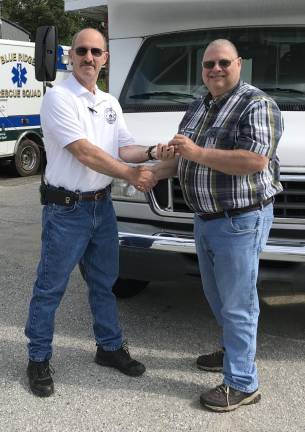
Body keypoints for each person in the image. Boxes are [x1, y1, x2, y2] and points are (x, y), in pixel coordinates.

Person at [25, 28, 157, 398]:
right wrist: (132, 174)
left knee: (105, 283)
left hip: (102, 206)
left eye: (95, 51)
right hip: (66, 210)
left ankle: (109, 347)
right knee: (50, 287)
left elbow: (126, 147)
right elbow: (83, 151)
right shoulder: (58, 98)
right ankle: (38, 357)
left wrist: (153, 153)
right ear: (70, 56)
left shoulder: (110, 103)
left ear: (105, 58)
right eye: (81, 50)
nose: (88, 57)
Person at [153, 39, 283, 412]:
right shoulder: (199, 105)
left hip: (239, 219)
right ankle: (231, 351)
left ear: (239, 64)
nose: (215, 69)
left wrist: (195, 153)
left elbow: (255, 160)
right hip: (206, 218)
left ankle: (243, 382)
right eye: (209, 64)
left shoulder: (257, 104)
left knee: (238, 302)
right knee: (217, 296)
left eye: (223, 62)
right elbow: (183, 161)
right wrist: (150, 169)